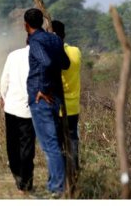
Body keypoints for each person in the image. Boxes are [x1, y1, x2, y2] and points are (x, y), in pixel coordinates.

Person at [24, 8, 69, 197]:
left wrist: (43, 88)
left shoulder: (35, 41)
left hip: (41, 98)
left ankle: (57, 188)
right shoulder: (55, 39)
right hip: (56, 98)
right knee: (54, 143)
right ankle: (54, 184)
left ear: (26, 25)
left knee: (49, 145)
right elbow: (65, 63)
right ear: (42, 22)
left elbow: (47, 62)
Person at [0, 41, 35, 194]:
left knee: (12, 144)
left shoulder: (13, 55)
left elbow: (4, 81)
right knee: (27, 147)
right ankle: (25, 183)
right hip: (29, 110)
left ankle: (17, 173)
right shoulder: (41, 57)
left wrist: (4, 97)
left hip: (11, 107)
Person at [52, 20, 82, 173]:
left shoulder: (51, 53)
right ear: (64, 34)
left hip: (57, 107)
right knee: (72, 139)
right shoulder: (76, 51)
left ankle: (61, 174)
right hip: (73, 106)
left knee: (57, 143)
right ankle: (74, 170)